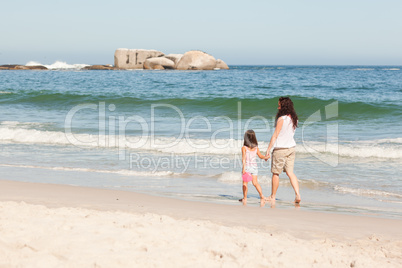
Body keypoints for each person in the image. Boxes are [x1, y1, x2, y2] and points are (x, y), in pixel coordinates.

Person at [265, 97, 301, 204]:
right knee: (290, 172)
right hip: (291, 148)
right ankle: (297, 194)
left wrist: (268, 149)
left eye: (279, 105)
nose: (278, 107)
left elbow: (275, 135)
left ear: (283, 106)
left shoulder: (282, 119)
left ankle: (273, 196)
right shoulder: (294, 118)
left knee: (276, 173)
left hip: (280, 149)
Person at [239, 130, 268, 204]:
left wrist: (243, 169)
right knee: (255, 183)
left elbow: (244, 159)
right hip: (254, 167)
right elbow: (260, 156)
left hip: (247, 167)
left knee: (245, 184)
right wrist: (266, 157)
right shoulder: (256, 148)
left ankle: (245, 198)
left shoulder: (244, 148)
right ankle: (262, 196)